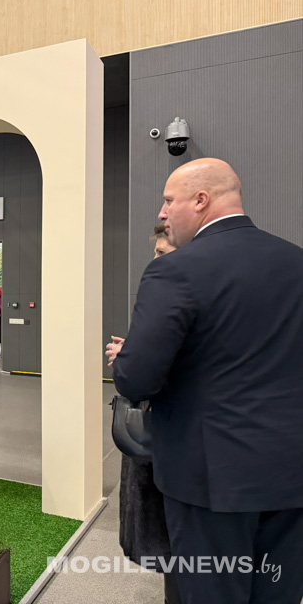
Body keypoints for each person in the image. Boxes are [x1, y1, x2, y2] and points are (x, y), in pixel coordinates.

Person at [109, 159, 303, 603]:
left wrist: (128, 358)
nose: (162, 213)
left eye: (168, 200)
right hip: (292, 472)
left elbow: (136, 380)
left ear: (201, 200)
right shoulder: (296, 261)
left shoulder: (174, 270)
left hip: (210, 481)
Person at [109, 224, 181, 604]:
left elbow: (140, 379)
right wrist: (135, 349)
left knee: (181, 555)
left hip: (175, 441)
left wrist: (129, 359)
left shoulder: (175, 296)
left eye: (162, 254)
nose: (154, 261)